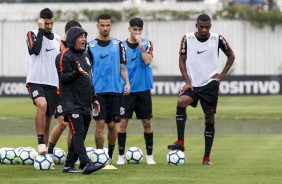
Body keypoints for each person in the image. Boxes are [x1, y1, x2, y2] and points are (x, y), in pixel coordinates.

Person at [167, 14, 235, 165]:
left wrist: (222, 75)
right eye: (201, 26)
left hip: (210, 85)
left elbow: (231, 56)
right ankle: (180, 141)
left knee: (209, 119)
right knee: (181, 101)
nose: (204, 30)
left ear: (210, 26)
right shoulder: (187, 38)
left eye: (207, 27)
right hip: (193, 85)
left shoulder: (218, 39)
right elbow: (182, 61)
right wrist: (187, 81)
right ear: (196, 25)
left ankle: (206, 157)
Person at [56, 26, 104, 174]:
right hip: (71, 103)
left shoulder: (85, 56)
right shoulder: (64, 56)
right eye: (80, 36)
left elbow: (89, 79)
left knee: (80, 135)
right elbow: (63, 78)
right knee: (78, 133)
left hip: (85, 102)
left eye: (85, 36)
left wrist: (94, 98)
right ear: (72, 39)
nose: (84, 39)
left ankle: (68, 165)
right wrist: (76, 73)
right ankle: (85, 164)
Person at [88, 13, 130, 162]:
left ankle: (110, 156)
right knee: (99, 124)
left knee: (112, 125)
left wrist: (127, 83)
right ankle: (100, 156)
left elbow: (122, 67)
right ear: (97, 26)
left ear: (111, 26)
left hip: (115, 90)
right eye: (102, 25)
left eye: (107, 25)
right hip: (98, 92)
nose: (105, 28)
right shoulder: (90, 46)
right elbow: (87, 70)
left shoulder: (118, 45)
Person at [116, 18, 156, 165]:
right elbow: (119, 66)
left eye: (139, 30)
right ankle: (121, 156)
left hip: (143, 89)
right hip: (126, 90)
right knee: (123, 122)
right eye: (134, 29)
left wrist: (140, 45)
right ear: (129, 29)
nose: (137, 32)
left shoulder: (147, 43)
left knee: (146, 122)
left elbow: (147, 61)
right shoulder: (121, 45)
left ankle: (150, 156)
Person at [26, 8, 60, 155]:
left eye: (51, 23)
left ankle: (43, 155)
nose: (49, 26)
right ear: (41, 21)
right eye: (46, 23)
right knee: (42, 105)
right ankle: (40, 143)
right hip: (35, 80)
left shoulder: (58, 39)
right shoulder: (32, 34)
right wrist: (40, 30)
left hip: (52, 83)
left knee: (48, 122)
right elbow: (35, 50)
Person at [47, 20, 82, 156]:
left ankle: (71, 156)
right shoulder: (58, 45)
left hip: (75, 92)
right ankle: (49, 152)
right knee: (62, 123)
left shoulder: (79, 49)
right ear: (67, 33)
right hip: (60, 91)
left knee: (73, 126)